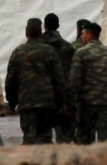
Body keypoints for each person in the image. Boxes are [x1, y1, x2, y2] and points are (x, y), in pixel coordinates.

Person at [5, 18, 66, 146]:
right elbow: (58, 79)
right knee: (45, 138)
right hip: (47, 104)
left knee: (29, 138)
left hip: (27, 103)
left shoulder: (18, 52)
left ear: (26, 32)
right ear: (41, 32)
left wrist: (12, 102)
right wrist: (61, 102)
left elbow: (11, 80)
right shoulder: (50, 51)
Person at [69, 22, 107, 144]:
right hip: (106, 103)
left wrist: (71, 103)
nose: (81, 37)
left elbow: (74, 81)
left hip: (86, 103)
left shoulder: (80, 53)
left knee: (84, 140)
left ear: (90, 35)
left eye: (84, 34)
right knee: (105, 141)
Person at [41, 13, 76, 143]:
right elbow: (72, 75)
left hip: (41, 99)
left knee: (41, 140)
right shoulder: (67, 47)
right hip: (61, 99)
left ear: (44, 26)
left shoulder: (36, 47)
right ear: (58, 26)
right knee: (64, 140)